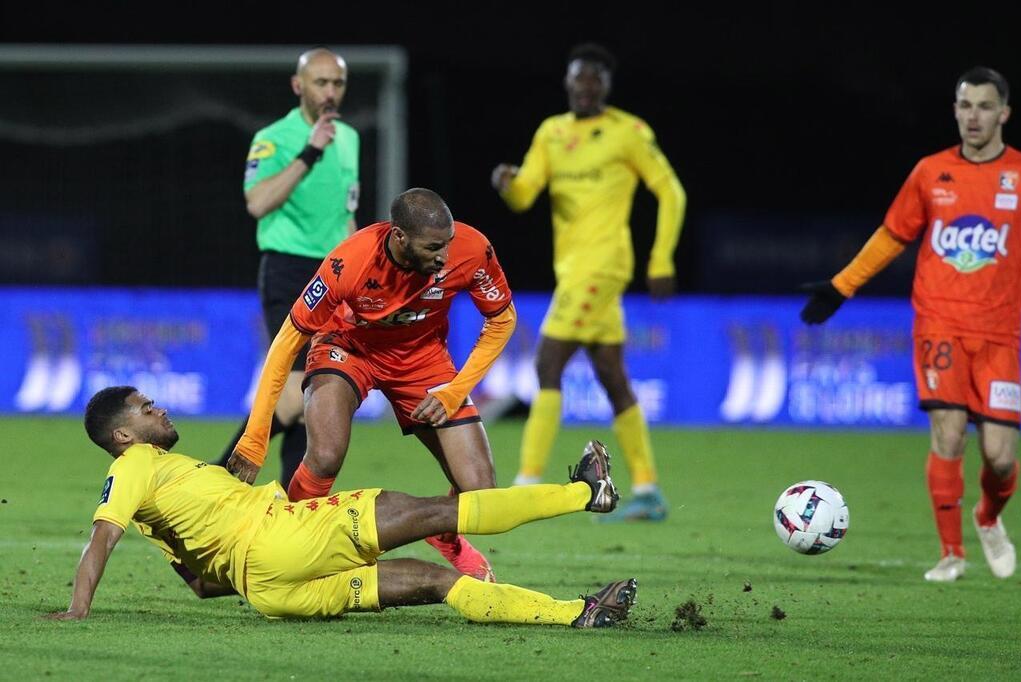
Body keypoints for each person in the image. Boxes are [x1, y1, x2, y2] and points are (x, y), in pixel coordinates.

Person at [44, 386, 636, 627]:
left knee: (434, 583)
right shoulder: (134, 468)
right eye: (146, 409)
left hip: (273, 591)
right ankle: (587, 492)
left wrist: (266, 567)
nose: (160, 410)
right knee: (438, 512)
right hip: (284, 538)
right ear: (123, 436)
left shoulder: (163, 493)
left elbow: (201, 586)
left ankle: (576, 615)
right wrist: (77, 611)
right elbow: (101, 538)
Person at [226, 188, 517, 582]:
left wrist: (453, 390)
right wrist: (255, 437)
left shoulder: (472, 248)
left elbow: (502, 320)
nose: (444, 256)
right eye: (433, 247)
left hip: (421, 358)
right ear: (399, 237)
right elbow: (285, 343)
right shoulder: (351, 262)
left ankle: (445, 536)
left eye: (447, 243)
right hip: (347, 347)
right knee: (325, 454)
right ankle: (288, 549)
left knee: (482, 491)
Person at [801, 66, 1021, 582]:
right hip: (939, 324)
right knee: (947, 436)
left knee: (1001, 457)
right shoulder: (931, 173)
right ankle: (952, 553)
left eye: (985, 106)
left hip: (999, 334)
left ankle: (988, 517)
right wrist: (842, 286)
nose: (973, 116)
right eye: (965, 106)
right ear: (955, 110)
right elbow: (893, 235)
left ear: (1004, 113)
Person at [491, 43, 686, 521]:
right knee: (613, 379)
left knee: (548, 362)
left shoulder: (628, 132)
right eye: (577, 79)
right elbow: (524, 196)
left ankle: (526, 481)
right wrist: (508, 184)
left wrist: (661, 257)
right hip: (573, 268)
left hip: (602, 267)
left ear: (606, 85)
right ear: (567, 83)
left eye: (593, 79)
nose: (584, 87)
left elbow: (671, 191)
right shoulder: (551, 133)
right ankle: (648, 490)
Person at [215, 47, 361, 488]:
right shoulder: (274, 138)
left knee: (316, 389)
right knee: (298, 384)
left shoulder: (350, 137)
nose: (330, 92)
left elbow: (346, 214)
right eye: (321, 82)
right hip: (290, 271)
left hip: (336, 274)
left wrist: (361, 272)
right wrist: (309, 154)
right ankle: (221, 478)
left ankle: (296, 504)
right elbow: (257, 203)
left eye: (337, 83)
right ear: (299, 86)